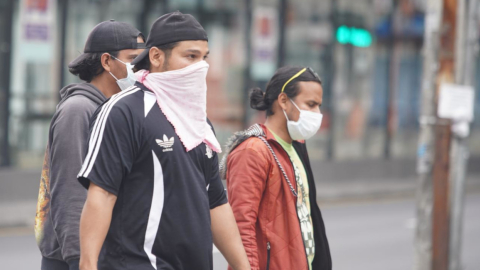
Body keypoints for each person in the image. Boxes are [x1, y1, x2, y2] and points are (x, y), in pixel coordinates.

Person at [77, 11, 250, 270]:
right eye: (190, 56)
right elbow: (102, 194)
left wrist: (243, 266)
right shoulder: (123, 111)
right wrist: (87, 265)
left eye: (204, 58)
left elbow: (216, 202)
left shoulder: (200, 121)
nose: (201, 66)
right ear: (156, 56)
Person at [34, 20, 145, 270]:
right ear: (106, 62)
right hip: (73, 259)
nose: (140, 68)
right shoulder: (78, 110)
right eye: (133, 59)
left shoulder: (118, 110)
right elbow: (70, 193)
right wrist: (80, 260)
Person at [220, 66, 332, 270]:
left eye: (319, 106)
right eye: (311, 104)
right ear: (283, 101)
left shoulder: (296, 145)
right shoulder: (253, 151)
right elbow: (242, 229)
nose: (317, 113)